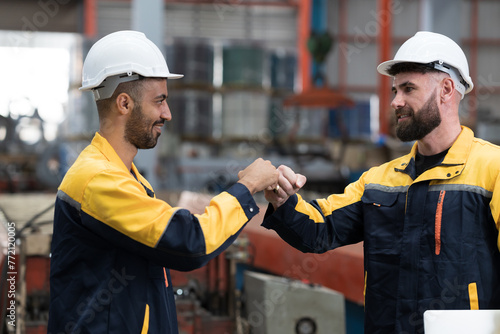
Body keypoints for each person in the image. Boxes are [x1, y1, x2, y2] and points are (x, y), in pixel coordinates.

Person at [263, 31, 500, 334]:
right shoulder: (380, 180)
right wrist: (282, 200)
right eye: (394, 90)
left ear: (446, 89)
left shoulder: (492, 170)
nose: (395, 102)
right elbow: (319, 230)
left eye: (408, 89)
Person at [48, 30, 279, 334]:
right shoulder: (98, 180)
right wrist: (247, 187)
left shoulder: (123, 176)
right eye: (159, 101)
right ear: (124, 103)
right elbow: (190, 242)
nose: (167, 114)